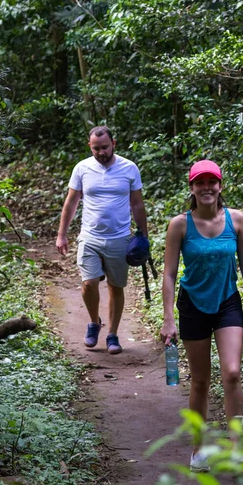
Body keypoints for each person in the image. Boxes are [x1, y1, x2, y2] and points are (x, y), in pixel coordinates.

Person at [160, 159, 243, 471]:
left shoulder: (237, 220)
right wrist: (168, 318)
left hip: (227, 302)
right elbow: (168, 274)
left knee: (232, 373)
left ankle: (235, 447)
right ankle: (198, 449)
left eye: (211, 182)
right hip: (193, 305)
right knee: (201, 381)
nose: (206, 188)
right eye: (200, 183)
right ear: (191, 188)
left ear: (220, 186)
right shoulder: (180, 225)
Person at [56, 126, 148, 355]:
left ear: (114, 143)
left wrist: (143, 235)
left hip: (119, 238)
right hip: (89, 237)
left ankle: (113, 334)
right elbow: (71, 203)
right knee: (89, 283)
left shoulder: (129, 168)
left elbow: (137, 203)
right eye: (96, 148)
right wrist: (61, 234)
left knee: (116, 287)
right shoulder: (82, 168)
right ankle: (93, 322)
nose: (101, 152)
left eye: (105, 147)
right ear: (90, 146)